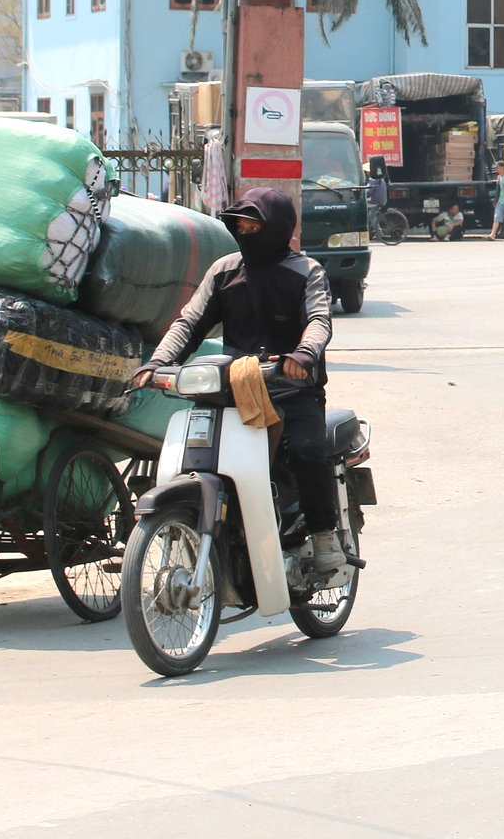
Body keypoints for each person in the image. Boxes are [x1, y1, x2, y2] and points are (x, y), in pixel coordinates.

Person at [137, 188, 347, 587]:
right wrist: (158, 362)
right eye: (241, 225)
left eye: (255, 225)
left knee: (305, 450)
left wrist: (303, 356)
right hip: (234, 389)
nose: (246, 231)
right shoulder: (223, 270)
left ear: (279, 228)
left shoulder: (307, 270)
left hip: (291, 389)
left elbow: (319, 320)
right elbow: (189, 323)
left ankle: (323, 536)